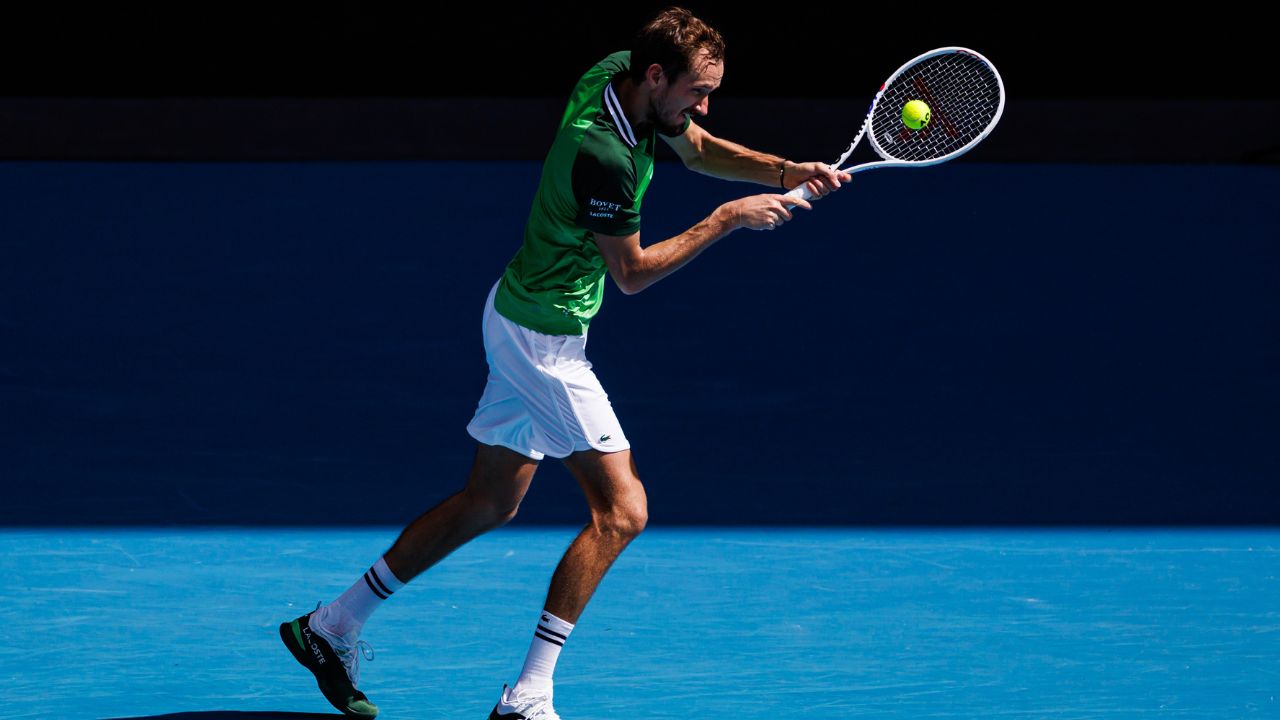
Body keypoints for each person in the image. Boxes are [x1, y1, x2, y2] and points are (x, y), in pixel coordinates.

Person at [279, 7, 850, 719]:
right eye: (697, 91)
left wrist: (786, 170)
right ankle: (528, 696)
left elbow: (698, 148)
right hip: (541, 344)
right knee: (623, 511)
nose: (705, 106)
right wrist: (727, 218)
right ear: (655, 76)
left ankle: (330, 625)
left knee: (489, 501)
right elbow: (632, 274)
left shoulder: (617, 74)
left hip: (515, 311)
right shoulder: (604, 155)